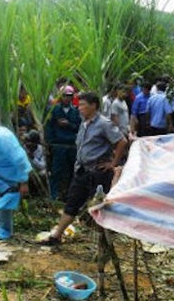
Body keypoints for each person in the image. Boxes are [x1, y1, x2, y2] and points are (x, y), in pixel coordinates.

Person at [40, 91, 128, 245]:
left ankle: (104, 242)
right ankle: (56, 236)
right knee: (72, 203)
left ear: (93, 106)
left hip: (98, 172)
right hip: (82, 171)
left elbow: (122, 141)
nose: (79, 108)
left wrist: (113, 163)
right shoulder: (84, 123)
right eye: (78, 104)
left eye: (82, 105)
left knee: (100, 207)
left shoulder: (103, 124)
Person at [47, 85, 81, 201]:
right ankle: (54, 195)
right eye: (65, 96)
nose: (67, 98)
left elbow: (78, 127)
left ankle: (69, 195)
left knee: (72, 171)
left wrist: (69, 124)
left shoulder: (75, 111)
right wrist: (50, 142)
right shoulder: (54, 110)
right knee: (56, 171)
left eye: (69, 96)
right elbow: (50, 127)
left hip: (71, 145)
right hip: (58, 144)